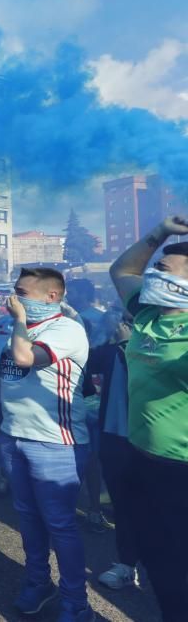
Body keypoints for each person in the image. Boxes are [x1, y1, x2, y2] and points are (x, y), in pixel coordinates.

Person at [0, 268, 94, 622]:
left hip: (56, 443)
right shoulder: (6, 323)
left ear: (52, 296)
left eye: (22, 292)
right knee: (28, 518)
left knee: (59, 524)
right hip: (14, 437)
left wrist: (19, 321)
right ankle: (38, 582)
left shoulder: (66, 329)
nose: (14, 298)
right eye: (15, 291)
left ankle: (76, 602)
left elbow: (26, 358)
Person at [109, 215, 188, 621]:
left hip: (181, 471)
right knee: (160, 564)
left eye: (163, 267)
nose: (152, 271)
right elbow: (122, 269)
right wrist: (160, 234)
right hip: (141, 457)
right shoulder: (146, 311)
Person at [87, 313, 140, 590]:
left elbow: (148, 378)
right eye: (123, 318)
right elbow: (88, 360)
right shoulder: (113, 346)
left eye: (131, 318)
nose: (124, 323)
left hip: (150, 442)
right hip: (113, 436)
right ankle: (126, 565)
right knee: (122, 504)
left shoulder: (156, 347)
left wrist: (127, 345)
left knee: (161, 509)